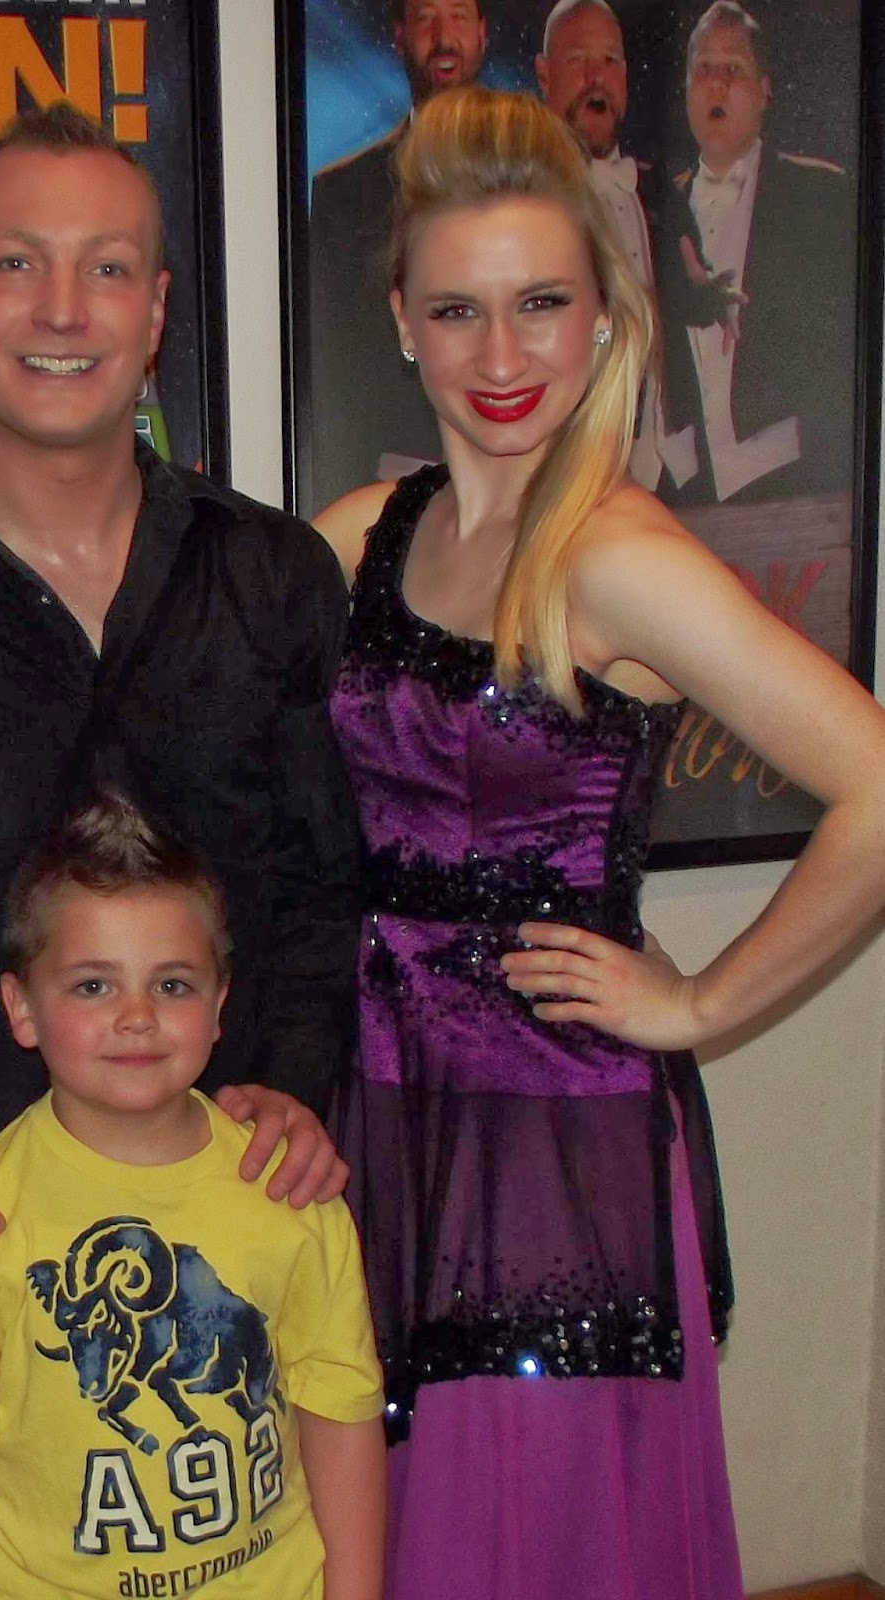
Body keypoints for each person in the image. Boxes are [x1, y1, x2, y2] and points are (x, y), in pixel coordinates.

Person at [315, 85, 885, 1599]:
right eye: (457, 310)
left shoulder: (616, 557)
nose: (501, 357)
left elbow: (876, 788)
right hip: (378, 1122)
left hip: (553, 1152)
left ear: (602, 316)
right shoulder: (358, 534)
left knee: (533, 1536)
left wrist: (695, 1004)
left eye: (540, 304)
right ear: (401, 322)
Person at [0, 104, 361, 1295]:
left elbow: (323, 895)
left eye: (105, 268)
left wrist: (295, 1086)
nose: (60, 309)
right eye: (16, 264)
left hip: (257, 1218)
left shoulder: (276, 575)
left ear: (154, 311)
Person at [0, 790, 387, 1600]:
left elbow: (342, 1415)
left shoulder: (290, 1184)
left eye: (173, 985)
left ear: (219, 1006)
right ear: (21, 1008)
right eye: (92, 986)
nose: (136, 1017)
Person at [652, 1, 854, 504]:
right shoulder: (656, 210)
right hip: (684, 492)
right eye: (704, 70)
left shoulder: (822, 195)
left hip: (794, 484)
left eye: (733, 70)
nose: (717, 86)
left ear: (765, 90)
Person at [307, 0, 488, 506]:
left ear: (482, 33)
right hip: (392, 493)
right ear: (400, 36)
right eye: (426, 18)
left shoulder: (543, 177)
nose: (444, 36)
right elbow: (336, 372)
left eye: (458, 15)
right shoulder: (344, 191)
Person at [534, 0, 697, 493]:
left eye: (610, 61)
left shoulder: (664, 196)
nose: (596, 78)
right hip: (558, 477)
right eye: (579, 60)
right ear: (544, 75)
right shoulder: (521, 199)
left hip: (668, 477)